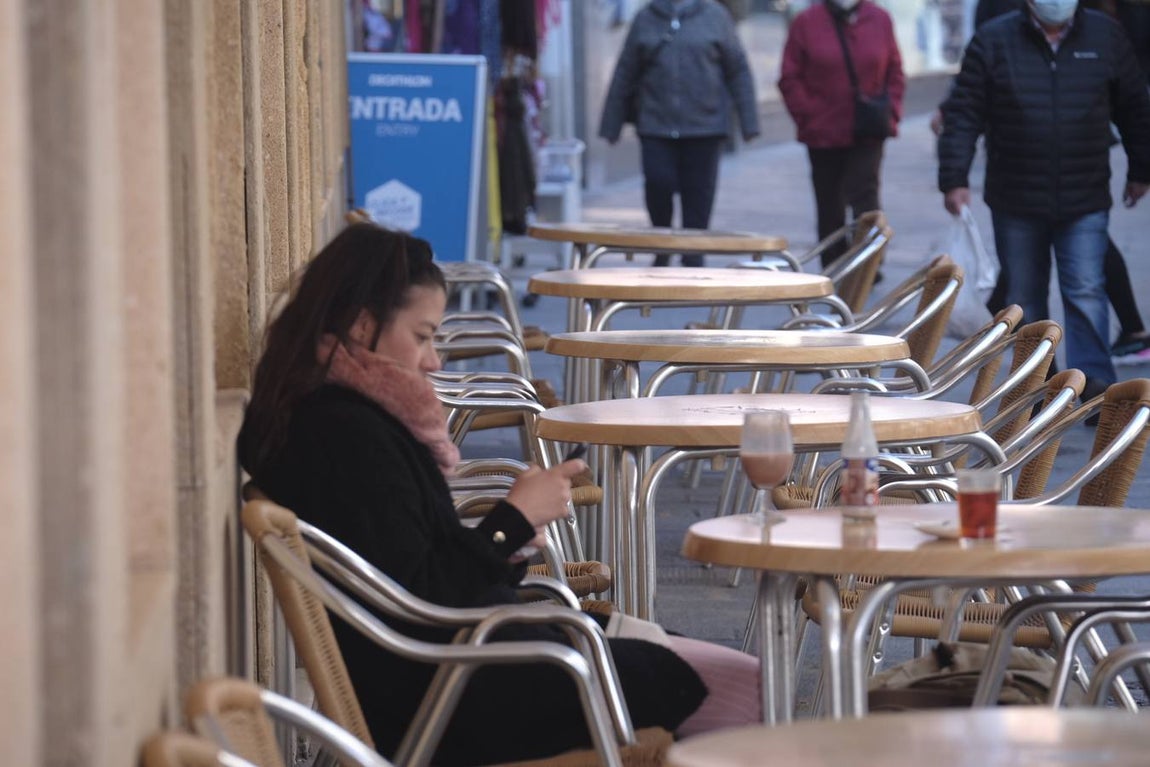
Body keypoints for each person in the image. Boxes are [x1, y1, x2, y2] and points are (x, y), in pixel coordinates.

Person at [238, 223, 762, 765]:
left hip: (457, 666)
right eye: (421, 336)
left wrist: (510, 536)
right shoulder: (345, 435)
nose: (434, 360)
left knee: (690, 660)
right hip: (454, 693)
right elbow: (428, 595)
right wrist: (510, 519)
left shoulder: (323, 417)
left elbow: (413, 572)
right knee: (742, 688)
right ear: (362, 325)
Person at [937, 0, 1150, 404]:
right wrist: (954, 178)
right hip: (1015, 197)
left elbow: (1134, 106)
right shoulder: (995, 39)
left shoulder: (1104, 36)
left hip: (1084, 193)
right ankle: (1036, 389)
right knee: (1025, 296)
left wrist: (1142, 168)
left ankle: (1095, 390)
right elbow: (965, 112)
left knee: (1086, 290)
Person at [599, 0, 760, 266]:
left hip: (704, 127)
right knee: (657, 184)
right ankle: (662, 246)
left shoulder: (715, 16)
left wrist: (748, 121)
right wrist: (611, 124)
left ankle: (693, 254)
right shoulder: (646, 18)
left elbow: (738, 69)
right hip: (655, 124)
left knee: (698, 194)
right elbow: (625, 72)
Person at [778, 0, 905, 267]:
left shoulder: (879, 18)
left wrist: (890, 110)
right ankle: (835, 266)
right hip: (823, 131)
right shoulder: (807, 22)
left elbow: (895, 71)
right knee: (830, 203)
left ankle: (868, 265)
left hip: (868, 128)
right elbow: (789, 77)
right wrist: (808, 115)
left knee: (866, 197)